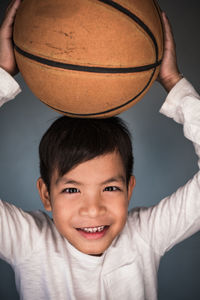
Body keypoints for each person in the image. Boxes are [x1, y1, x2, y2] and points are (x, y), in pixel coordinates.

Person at [0, 0, 200, 299]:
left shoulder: (144, 236)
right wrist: (2, 73)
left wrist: (173, 83)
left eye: (110, 188)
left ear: (129, 188)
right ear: (46, 195)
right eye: (71, 190)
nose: (93, 209)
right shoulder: (27, 242)